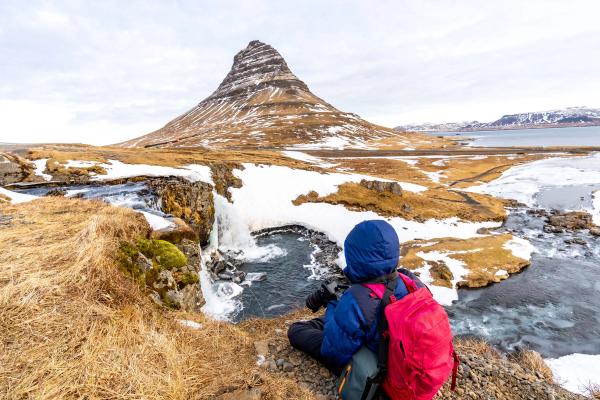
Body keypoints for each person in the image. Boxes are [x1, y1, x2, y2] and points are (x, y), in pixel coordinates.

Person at [287, 219, 424, 375]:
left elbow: (333, 353)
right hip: (405, 352)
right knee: (340, 321)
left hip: (384, 364)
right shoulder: (409, 279)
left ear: (356, 258)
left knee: (296, 330)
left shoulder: (358, 299)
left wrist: (332, 302)